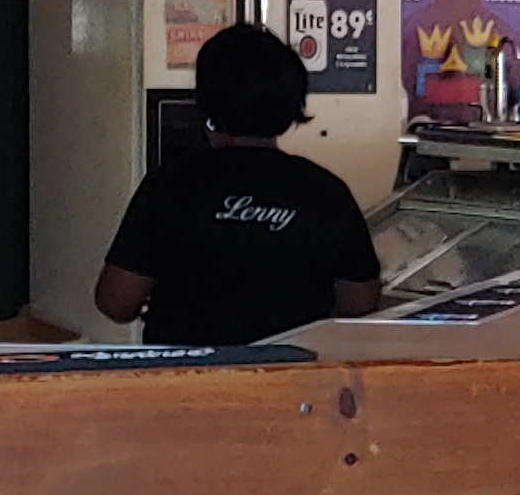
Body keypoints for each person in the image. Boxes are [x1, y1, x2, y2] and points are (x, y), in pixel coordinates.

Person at [94, 22, 383, 345]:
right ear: (292, 103)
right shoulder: (325, 192)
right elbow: (360, 303)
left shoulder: (171, 186)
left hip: (187, 371)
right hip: (293, 369)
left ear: (207, 102)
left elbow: (116, 302)